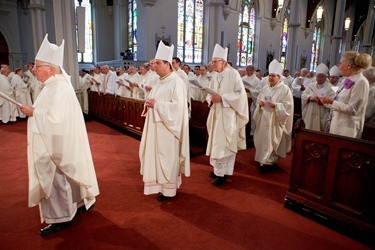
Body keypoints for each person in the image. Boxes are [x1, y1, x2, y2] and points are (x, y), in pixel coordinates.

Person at [19, 34, 99, 235]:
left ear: (51, 69)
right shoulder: (53, 86)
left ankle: (61, 217)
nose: (34, 70)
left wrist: (34, 112)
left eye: (38, 67)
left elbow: (57, 120)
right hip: (56, 140)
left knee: (57, 179)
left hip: (55, 142)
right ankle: (77, 204)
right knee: (65, 177)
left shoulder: (59, 88)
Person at [139, 41, 190, 202]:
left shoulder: (176, 81)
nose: (154, 67)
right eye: (154, 63)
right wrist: (149, 104)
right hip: (158, 128)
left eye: (158, 63)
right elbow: (154, 99)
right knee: (159, 159)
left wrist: (157, 105)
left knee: (167, 159)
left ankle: (169, 191)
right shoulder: (160, 81)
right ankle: (161, 188)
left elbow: (178, 108)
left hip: (168, 131)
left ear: (168, 64)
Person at [205, 44, 249, 186]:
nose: (212, 64)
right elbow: (210, 92)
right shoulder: (215, 75)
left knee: (224, 143)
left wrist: (222, 98)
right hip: (216, 113)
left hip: (228, 115)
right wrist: (210, 99)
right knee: (216, 143)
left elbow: (240, 95)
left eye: (215, 61)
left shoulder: (233, 74)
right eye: (212, 61)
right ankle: (219, 170)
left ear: (223, 62)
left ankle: (222, 174)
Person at [253, 59, 294, 173]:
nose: (270, 78)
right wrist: (260, 104)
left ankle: (269, 161)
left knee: (272, 140)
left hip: (275, 119)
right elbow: (259, 100)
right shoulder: (265, 88)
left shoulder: (285, 89)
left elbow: (288, 106)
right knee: (263, 138)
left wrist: (276, 105)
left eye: (273, 76)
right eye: (270, 76)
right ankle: (262, 160)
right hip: (264, 117)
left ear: (279, 77)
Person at [321, 51, 372, 139]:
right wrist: (327, 102)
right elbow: (340, 101)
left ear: (349, 65)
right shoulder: (347, 79)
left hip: (347, 129)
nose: (339, 66)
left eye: (340, 63)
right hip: (337, 125)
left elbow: (352, 109)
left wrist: (331, 101)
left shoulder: (361, 82)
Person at [301, 63, 335, 131]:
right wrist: (310, 98)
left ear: (326, 77)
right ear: (316, 77)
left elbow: (332, 101)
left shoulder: (330, 88)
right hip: (310, 112)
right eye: (318, 76)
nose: (320, 78)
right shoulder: (310, 85)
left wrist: (321, 101)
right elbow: (303, 95)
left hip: (322, 113)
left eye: (322, 76)